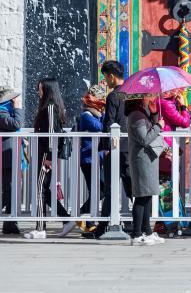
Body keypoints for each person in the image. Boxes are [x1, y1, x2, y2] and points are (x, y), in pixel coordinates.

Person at [26, 78, 73, 239]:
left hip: (46, 154)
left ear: (47, 90)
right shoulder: (50, 107)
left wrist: (50, 156)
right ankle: (66, 219)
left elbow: (52, 135)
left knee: (40, 189)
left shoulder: (50, 108)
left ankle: (40, 228)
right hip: (45, 153)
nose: (38, 92)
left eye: (40, 89)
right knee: (44, 189)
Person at [93, 60, 129, 239]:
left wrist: (106, 147)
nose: (106, 81)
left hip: (115, 147)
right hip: (130, 147)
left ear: (112, 77)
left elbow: (110, 122)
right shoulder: (131, 94)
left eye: (106, 78)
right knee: (132, 187)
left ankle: (102, 227)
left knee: (110, 189)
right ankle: (136, 224)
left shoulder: (113, 96)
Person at [126, 94, 166, 246]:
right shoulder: (136, 116)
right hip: (141, 159)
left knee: (147, 195)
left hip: (147, 159)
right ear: (138, 98)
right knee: (141, 196)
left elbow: (150, 131)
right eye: (147, 96)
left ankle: (147, 231)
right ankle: (136, 234)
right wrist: (159, 126)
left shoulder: (142, 113)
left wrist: (154, 114)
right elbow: (145, 138)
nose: (150, 98)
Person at [0, 86, 24, 235]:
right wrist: (18, 108)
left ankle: (10, 224)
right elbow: (16, 124)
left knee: (11, 190)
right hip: (6, 157)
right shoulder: (1, 112)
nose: (17, 100)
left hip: (8, 156)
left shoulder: (4, 111)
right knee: (10, 191)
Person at [155, 88, 191, 235]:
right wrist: (183, 106)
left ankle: (163, 221)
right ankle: (170, 222)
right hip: (166, 148)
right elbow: (184, 122)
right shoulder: (166, 104)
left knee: (164, 185)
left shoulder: (158, 101)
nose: (179, 92)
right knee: (166, 186)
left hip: (161, 147)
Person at [76, 84, 107, 234]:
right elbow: (100, 127)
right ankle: (84, 217)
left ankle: (84, 218)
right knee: (97, 191)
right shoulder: (86, 115)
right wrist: (106, 114)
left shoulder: (98, 114)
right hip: (88, 159)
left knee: (99, 190)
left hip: (98, 158)